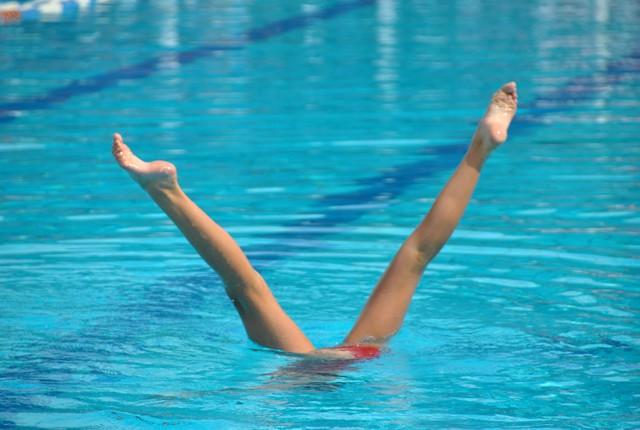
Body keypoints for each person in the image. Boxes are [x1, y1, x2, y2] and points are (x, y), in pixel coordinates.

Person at [112, 82, 518, 360]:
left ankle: (479, 150)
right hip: (339, 364)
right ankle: (480, 149)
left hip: (349, 360)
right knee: (247, 288)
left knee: (414, 257)